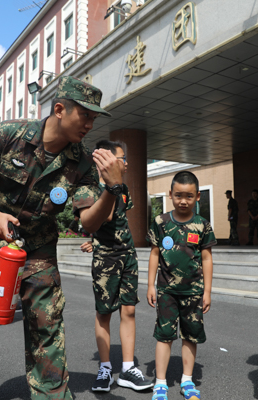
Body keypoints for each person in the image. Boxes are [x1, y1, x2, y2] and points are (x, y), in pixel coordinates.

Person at [0, 76, 124, 400]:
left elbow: (88, 220)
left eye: (94, 117)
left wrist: (112, 189)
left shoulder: (84, 163)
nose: (89, 123)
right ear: (60, 109)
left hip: (38, 252)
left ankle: (52, 394)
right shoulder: (8, 134)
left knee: (46, 325)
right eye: (84, 115)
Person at [79, 140, 152, 393]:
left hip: (127, 255)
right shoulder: (89, 187)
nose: (127, 163)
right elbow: (104, 216)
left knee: (129, 311)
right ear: (106, 160)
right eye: (122, 158)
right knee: (104, 313)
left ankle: (129, 369)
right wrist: (111, 185)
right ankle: (106, 368)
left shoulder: (123, 188)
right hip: (106, 259)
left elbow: (119, 219)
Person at [146, 171, 216, 400]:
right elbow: (154, 254)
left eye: (188, 196)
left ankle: (187, 381)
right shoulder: (161, 222)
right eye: (178, 195)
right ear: (170, 195)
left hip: (193, 292)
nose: (182, 201)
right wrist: (150, 286)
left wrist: (207, 291)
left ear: (197, 196)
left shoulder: (202, 225)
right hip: (166, 290)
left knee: (191, 336)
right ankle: (160, 383)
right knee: (164, 335)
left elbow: (206, 258)